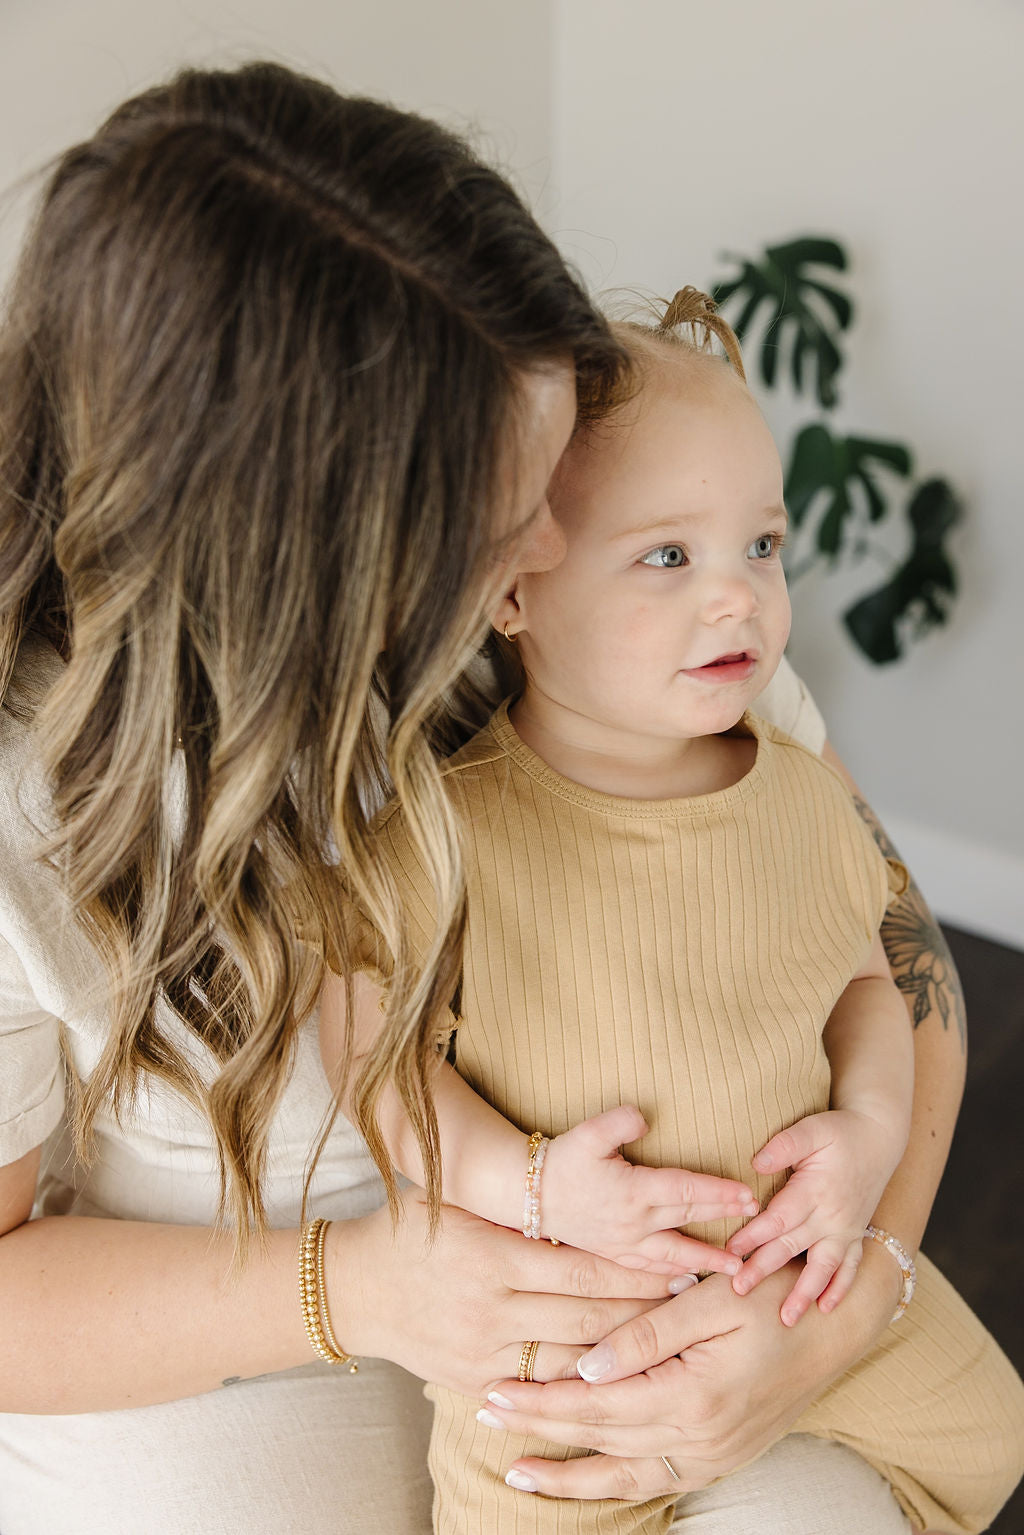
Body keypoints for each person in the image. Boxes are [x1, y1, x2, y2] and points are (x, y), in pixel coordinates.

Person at [0, 58, 1001, 1535]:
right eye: (496, 503)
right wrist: (362, 1288)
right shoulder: (39, 798)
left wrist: (840, 1309)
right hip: (240, 1359)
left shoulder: (633, 636)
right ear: (312, 560)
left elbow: (898, 976)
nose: (556, 528)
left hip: (669, 1364)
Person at [321, 292, 1024, 1534]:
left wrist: (865, 1130)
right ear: (509, 593)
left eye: (761, 545)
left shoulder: (799, 792)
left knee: (992, 1426)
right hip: (563, 1358)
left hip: (794, 1285)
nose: (738, 599)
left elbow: (869, 981)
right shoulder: (451, 823)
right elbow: (374, 1060)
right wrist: (521, 1181)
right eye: (667, 555)